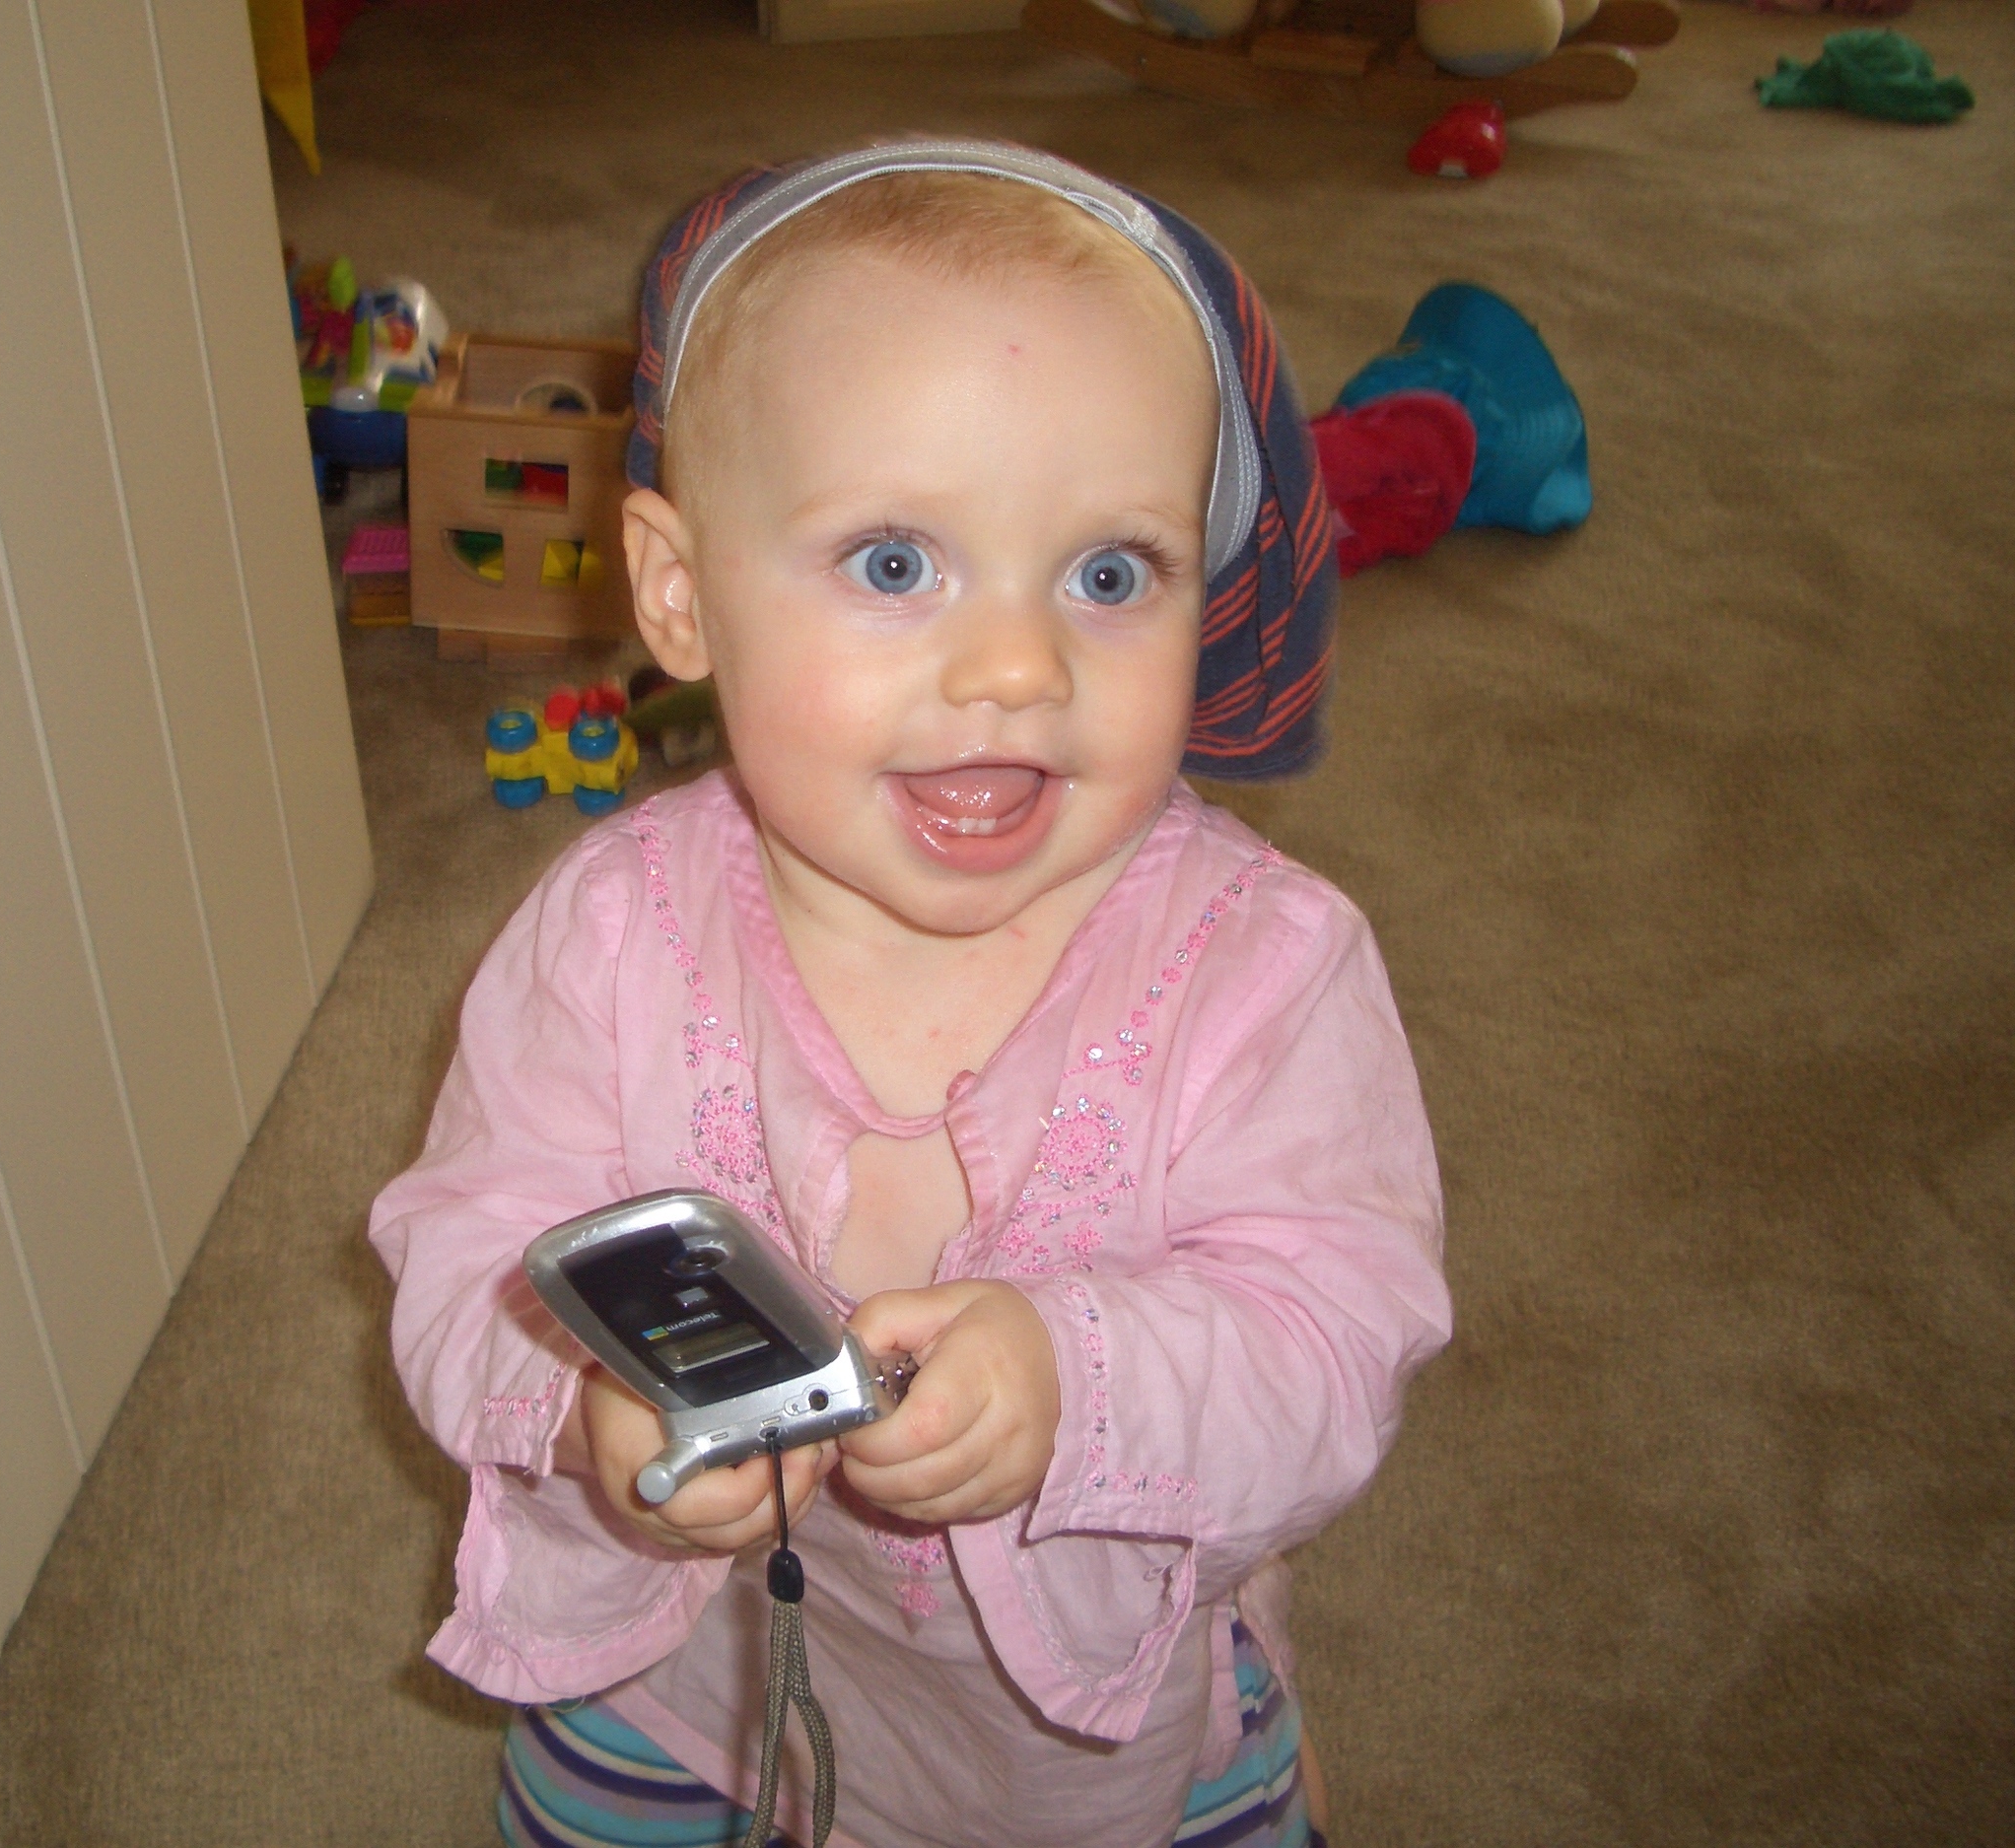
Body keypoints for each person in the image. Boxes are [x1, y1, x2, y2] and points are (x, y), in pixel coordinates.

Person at [371, 139, 1451, 1848]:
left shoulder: (1266, 965)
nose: (1019, 667)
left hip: (1082, 1739)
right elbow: (467, 1239)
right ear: (678, 592)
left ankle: (1257, 1729)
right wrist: (578, 1417)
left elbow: (1338, 1338)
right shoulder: (609, 933)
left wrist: (1080, 1381)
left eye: (1110, 575)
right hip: (672, 1684)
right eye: (894, 565)